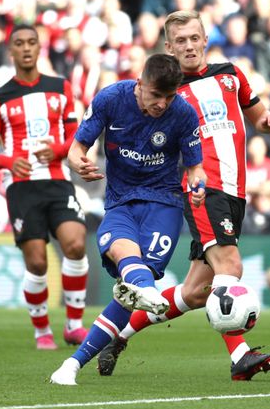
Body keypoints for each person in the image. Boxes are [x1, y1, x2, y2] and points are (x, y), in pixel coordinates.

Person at [96, 10, 270, 382]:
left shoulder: (230, 74)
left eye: (194, 38)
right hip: (201, 189)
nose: (188, 46)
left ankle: (117, 335)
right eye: (180, 41)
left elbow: (256, 113)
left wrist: (268, 121)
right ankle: (240, 358)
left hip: (236, 189)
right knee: (230, 266)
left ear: (205, 39)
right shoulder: (166, 93)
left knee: (196, 292)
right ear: (169, 47)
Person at [49, 53, 207, 385]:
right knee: (128, 269)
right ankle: (147, 293)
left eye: (169, 96)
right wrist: (79, 163)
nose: (163, 104)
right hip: (119, 203)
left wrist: (198, 185)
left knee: (130, 287)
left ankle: (72, 365)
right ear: (140, 84)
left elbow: (195, 168)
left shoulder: (184, 113)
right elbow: (76, 149)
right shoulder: (111, 98)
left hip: (163, 205)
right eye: (156, 96)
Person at [0, 24, 90, 351]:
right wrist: (9, 161)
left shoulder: (61, 88)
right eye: (19, 44)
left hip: (57, 180)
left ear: (39, 48)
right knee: (37, 262)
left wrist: (57, 150)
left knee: (75, 243)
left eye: (31, 43)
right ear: (11, 51)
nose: (26, 48)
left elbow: (75, 137)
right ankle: (42, 329)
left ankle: (73, 325)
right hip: (22, 187)